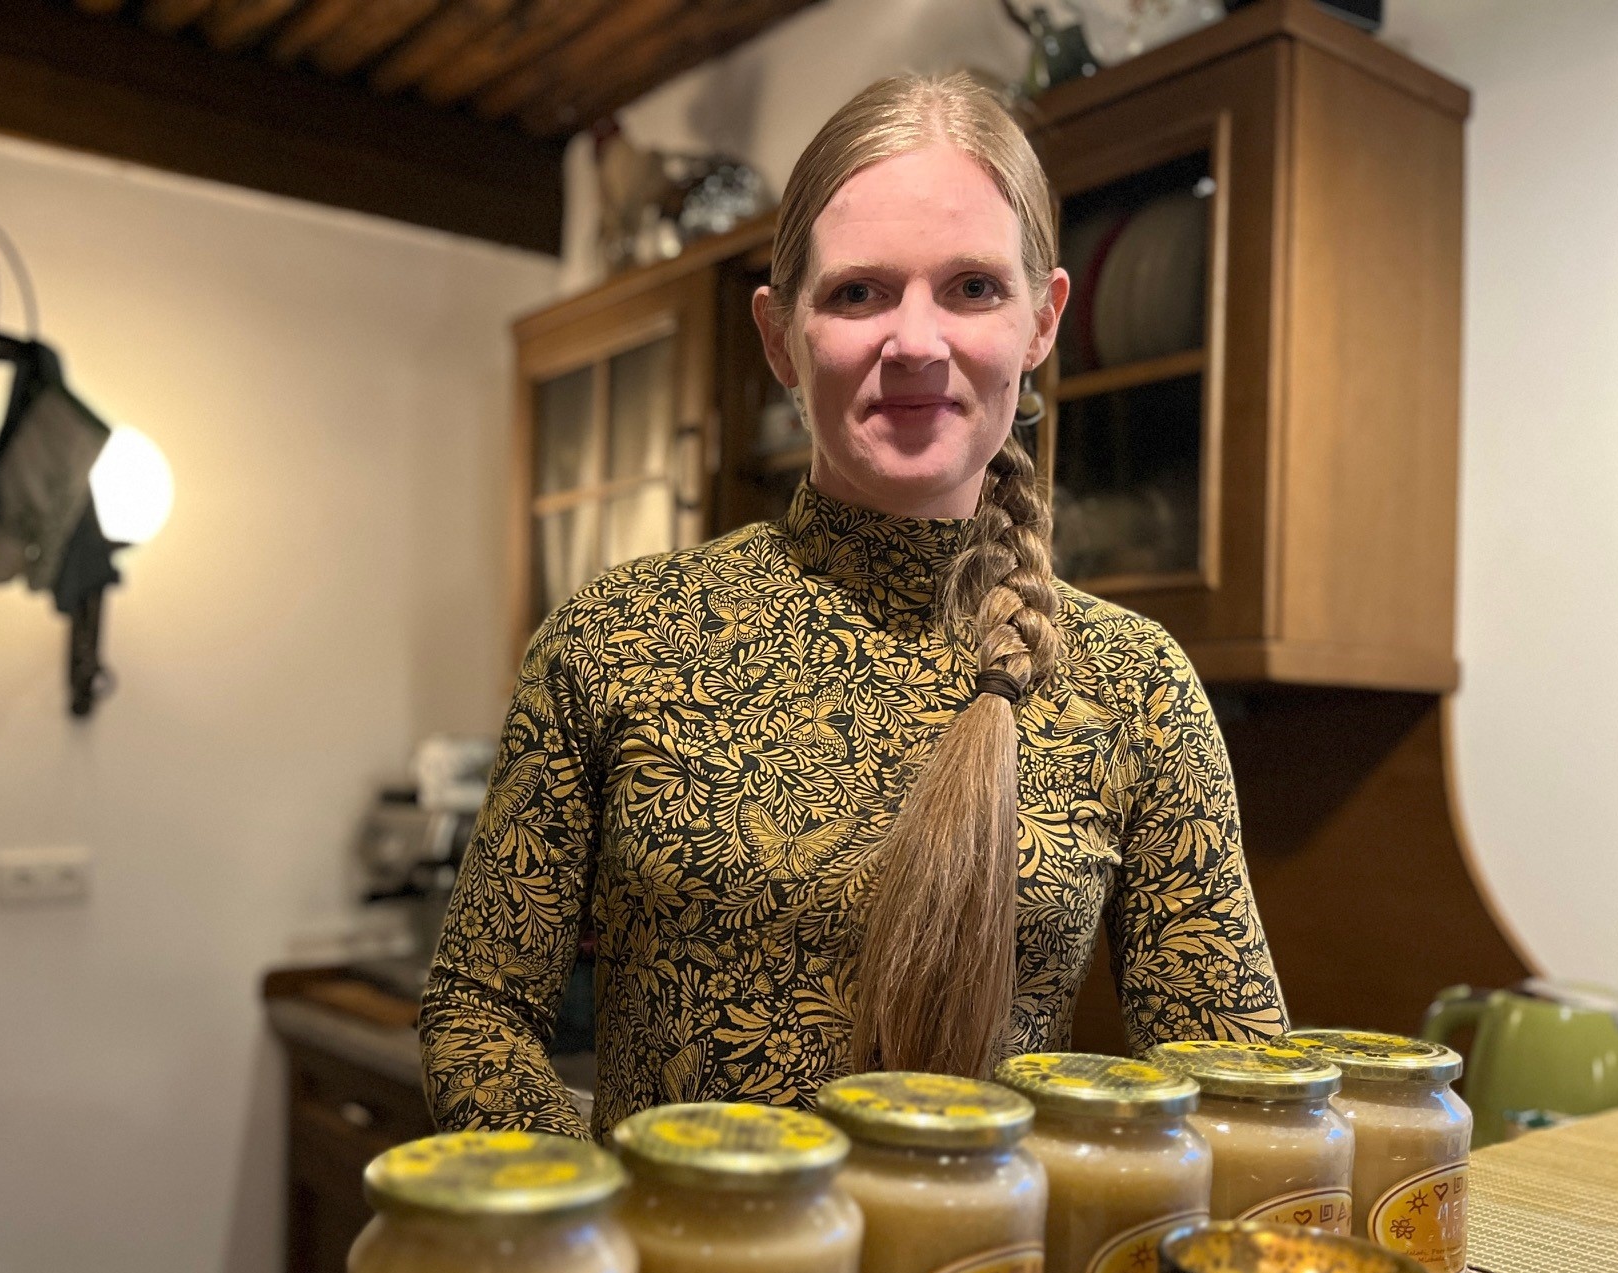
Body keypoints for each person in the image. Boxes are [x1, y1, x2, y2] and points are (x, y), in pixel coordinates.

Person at [419, 72, 1286, 1141]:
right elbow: (479, 1014)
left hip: (989, 1253)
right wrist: (611, 1217)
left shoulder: (1138, 686)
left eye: (973, 288)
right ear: (779, 334)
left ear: (1043, 321)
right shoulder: (617, 640)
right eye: (859, 293)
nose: (915, 341)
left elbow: (1241, 1093)